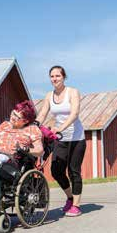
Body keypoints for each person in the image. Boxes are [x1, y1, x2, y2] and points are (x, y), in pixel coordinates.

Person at [37, 66, 86, 217]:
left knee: (73, 171)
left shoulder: (72, 92)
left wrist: (60, 128)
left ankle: (76, 206)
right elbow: (43, 113)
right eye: (52, 76)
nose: (54, 79)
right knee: (56, 171)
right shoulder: (49, 95)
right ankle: (70, 198)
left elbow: (74, 113)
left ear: (64, 77)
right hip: (60, 139)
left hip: (76, 138)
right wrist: (34, 125)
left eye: (57, 75)